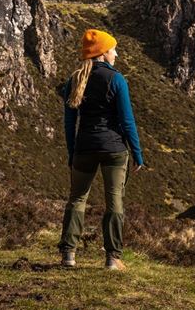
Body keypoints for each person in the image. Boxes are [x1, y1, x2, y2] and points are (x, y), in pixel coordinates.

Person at [57, 28, 144, 271]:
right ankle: (112, 258)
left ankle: (68, 255)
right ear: (104, 53)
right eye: (113, 49)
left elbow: (69, 122)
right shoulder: (116, 79)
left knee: (76, 199)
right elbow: (127, 121)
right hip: (114, 149)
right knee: (114, 202)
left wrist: (72, 152)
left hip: (84, 147)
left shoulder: (74, 80)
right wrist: (137, 154)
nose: (116, 53)